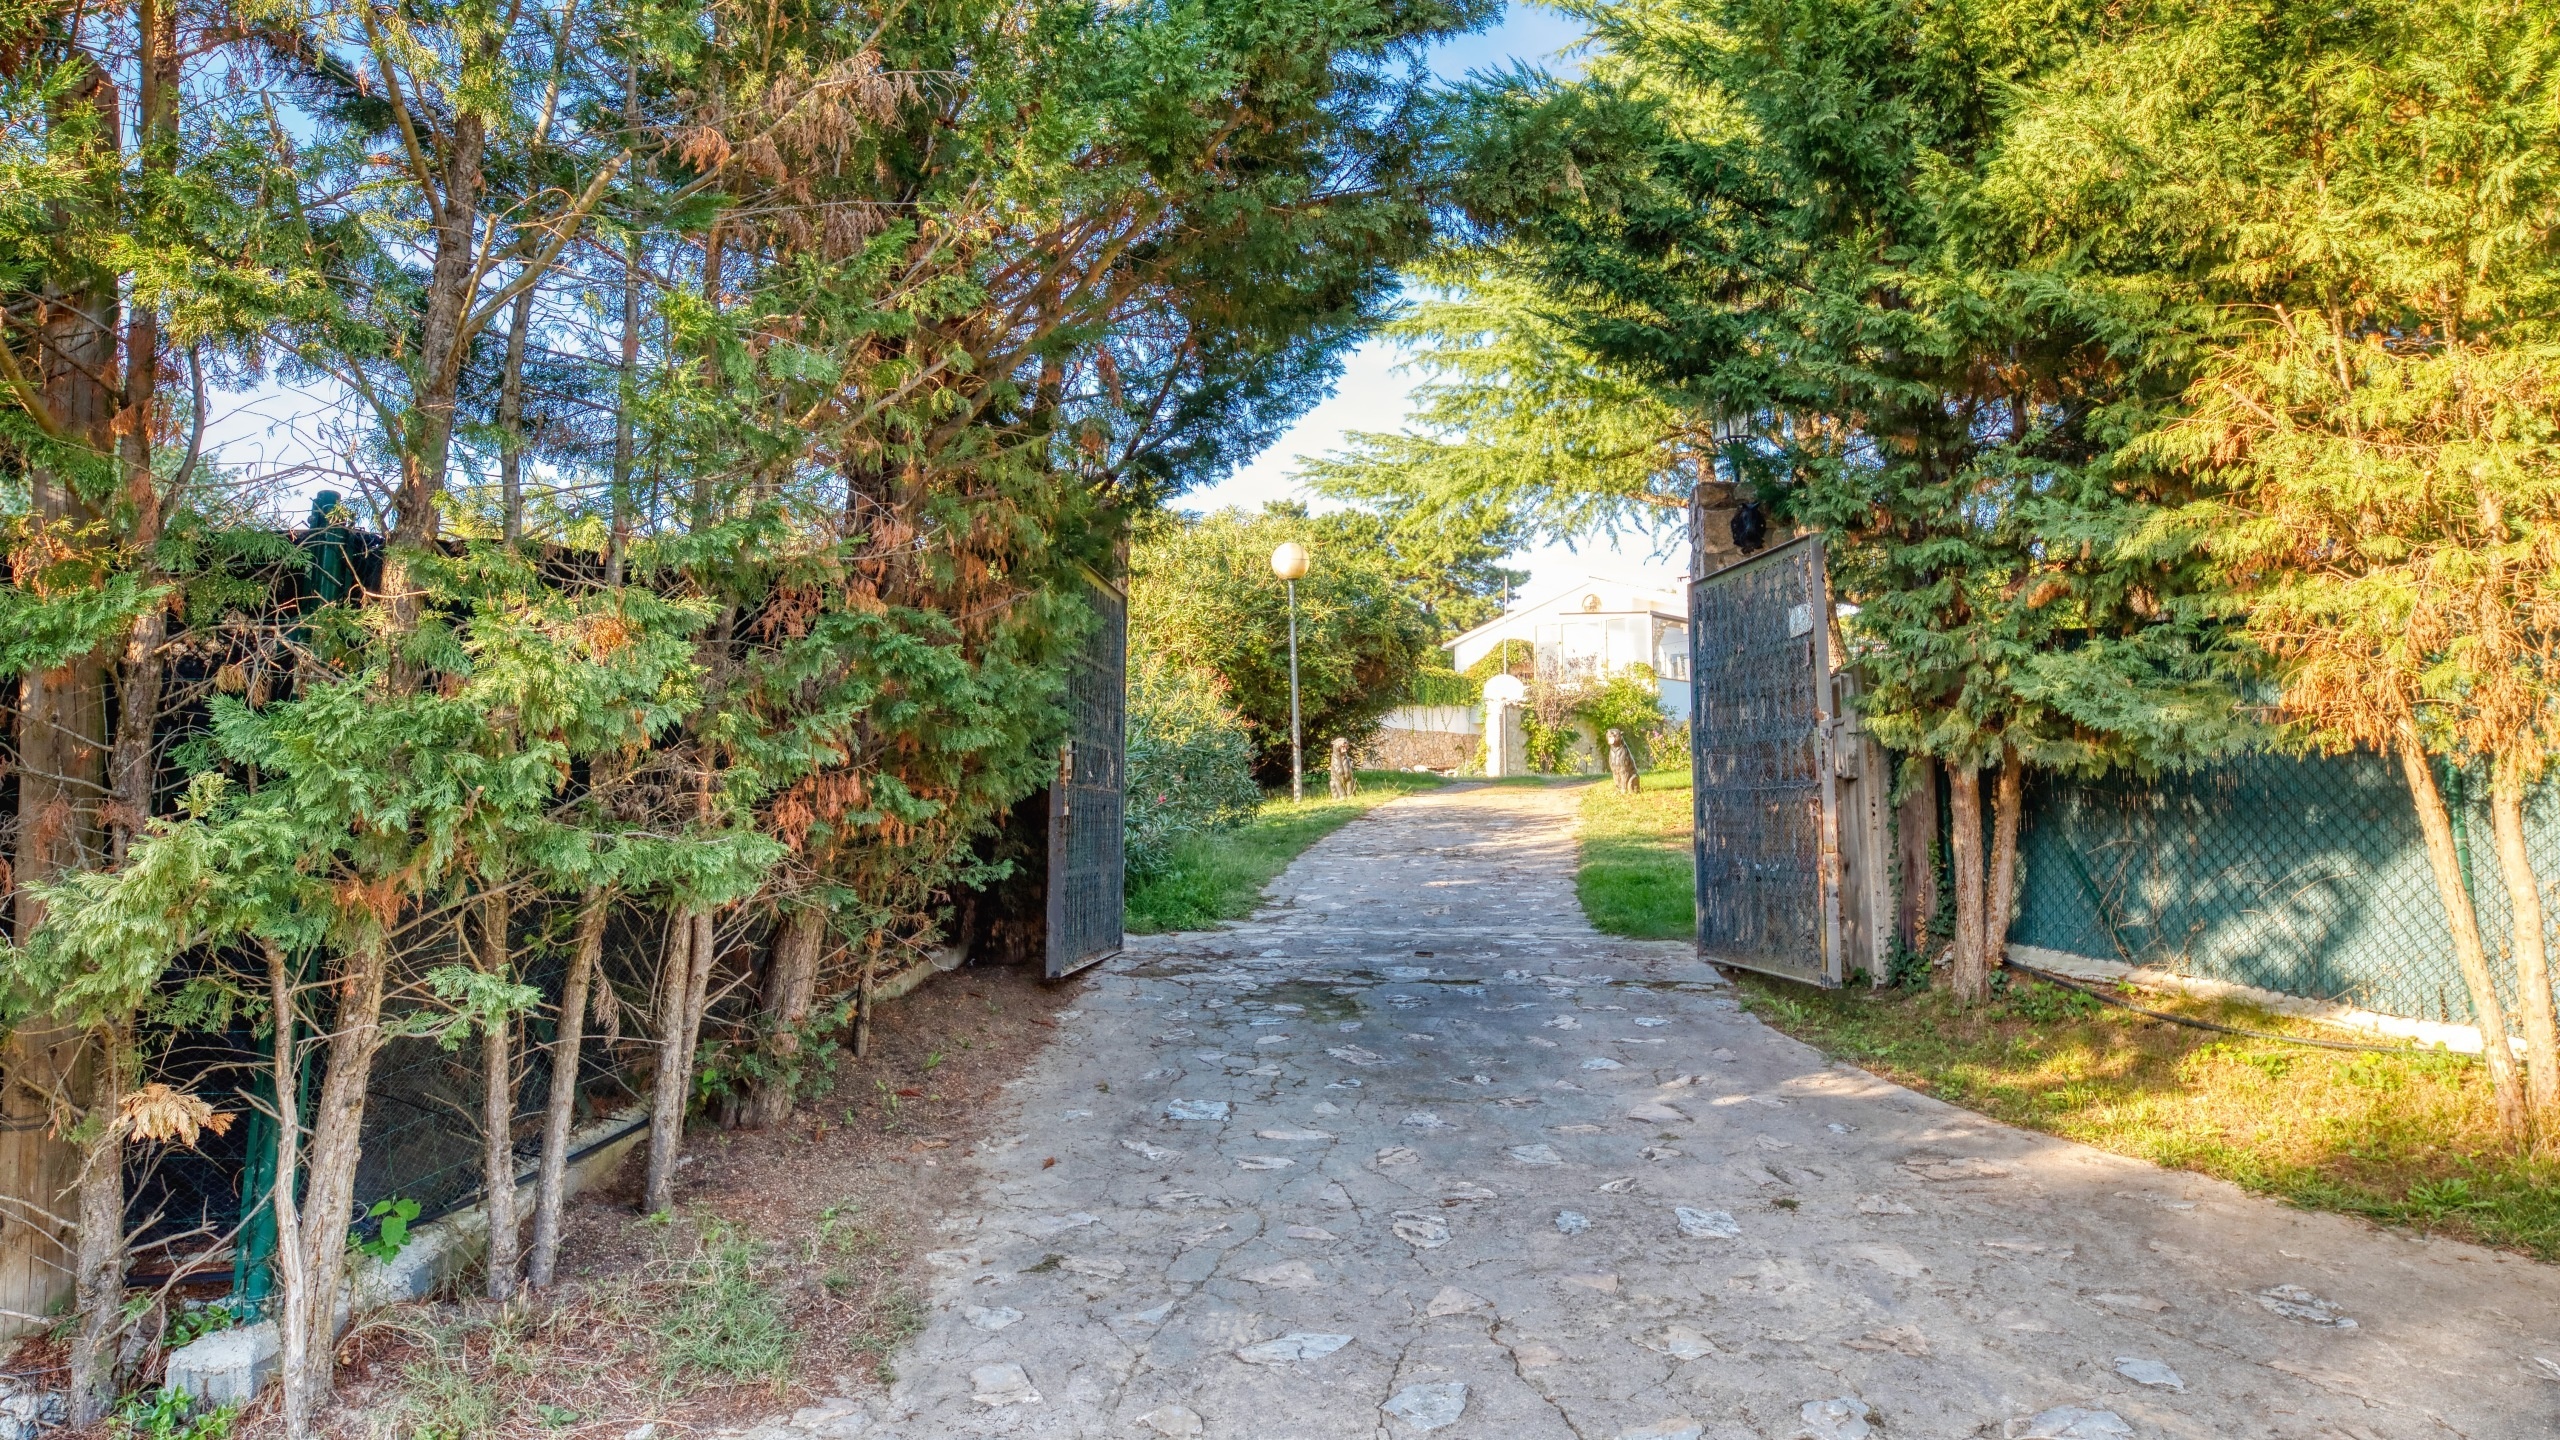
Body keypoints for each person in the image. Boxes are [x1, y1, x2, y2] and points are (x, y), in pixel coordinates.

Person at [1607, 728, 1641, 794]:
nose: (1611, 735)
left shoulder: (1624, 750)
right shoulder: (1612, 751)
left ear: (1621, 736)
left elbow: (1625, 771)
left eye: (1615, 735)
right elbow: (1614, 771)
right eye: (1609, 736)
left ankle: (1624, 789)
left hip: (1631, 776)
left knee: (1623, 771)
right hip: (1619, 775)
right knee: (1615, 772)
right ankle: (1618, 788)